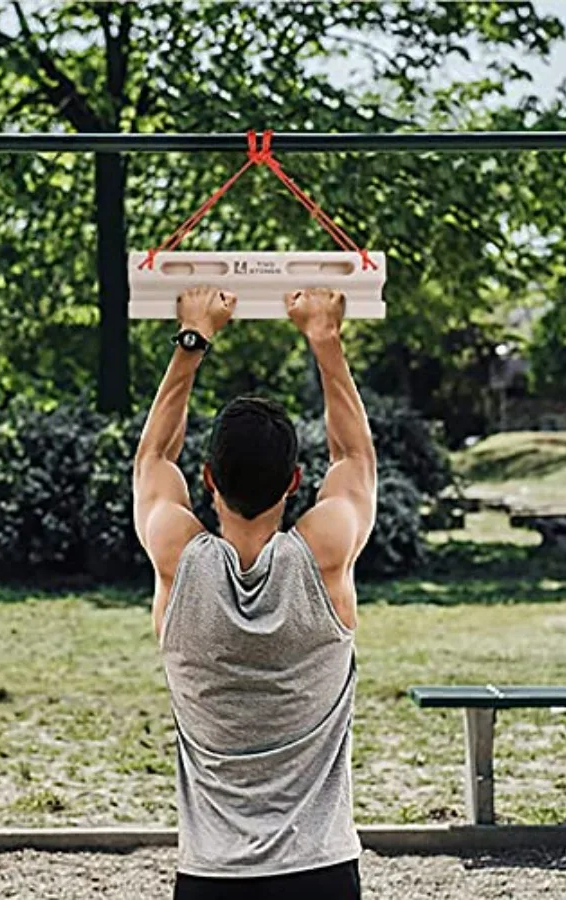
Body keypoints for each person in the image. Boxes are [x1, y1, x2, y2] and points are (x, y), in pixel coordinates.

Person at [133, 286, 377, 900]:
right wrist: (325, 338)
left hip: (212, 878)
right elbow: (354, 457)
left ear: (207, 478)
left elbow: (153, 459)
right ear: (296, 481)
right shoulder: (326, 555)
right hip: (320, 874)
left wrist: (193, 339)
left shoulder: (175, 559)